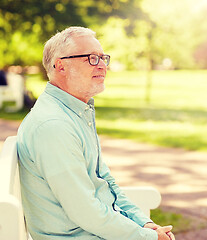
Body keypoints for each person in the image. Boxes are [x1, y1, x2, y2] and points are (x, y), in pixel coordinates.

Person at [17, 26, 175, 240]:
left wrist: (144, 223)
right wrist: (147, 237)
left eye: (103, 58)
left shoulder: (75, 113)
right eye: (91, 58)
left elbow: (105, 181)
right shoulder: (54, 125)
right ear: (61, 66)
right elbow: (85, 212)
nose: (102, 66)